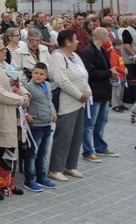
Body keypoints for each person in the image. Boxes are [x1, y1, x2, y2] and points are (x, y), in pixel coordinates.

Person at [0, 39, 30, 199]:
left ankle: (7, 183)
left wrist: (25, 93)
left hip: (15, 112)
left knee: (11, 149)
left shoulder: (6, 66)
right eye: (2, 49)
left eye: (5, 49)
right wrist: (20, 100)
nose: (5, 51)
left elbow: (17, 82)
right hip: (1, 113)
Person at [47, 29, 92, 182]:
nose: (78, 42)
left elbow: (83, 75)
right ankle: (55, 168)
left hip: (80, 103)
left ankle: (70, 165)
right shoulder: (58, 56)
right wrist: (79, 95)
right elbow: (61, 80)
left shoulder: (75, 56)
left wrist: (87, 91)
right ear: (67, 42)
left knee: (76, 135)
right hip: (67, 102)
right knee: (64, 135)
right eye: (75, 39)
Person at [80, 27, 119, 163]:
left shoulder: (101, 50)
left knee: (101, 121)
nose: (109, 38)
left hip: (103, 91)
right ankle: (87, 151)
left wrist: (110, 71)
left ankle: (100, 146)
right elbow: (90, 73)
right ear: (101, 37)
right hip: (94, 92)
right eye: (107, 36)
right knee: (89, 123)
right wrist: (109, 72)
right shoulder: (88, 52)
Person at [23, 63, 57, 192]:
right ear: (32, 73)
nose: (38, 76)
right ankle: (29, 179)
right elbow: (23, 103)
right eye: (36, 73)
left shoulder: (48, 85)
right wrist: (26, 114)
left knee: (43, 153)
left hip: (47, 124)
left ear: (46, 76)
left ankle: (41, 177)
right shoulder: (28, 87)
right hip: (35, 125)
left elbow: (50, 101)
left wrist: (53, 111)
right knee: (32, 153)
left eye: (41, 74)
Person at [109, 38, 128, 112]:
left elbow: (122, 64)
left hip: (122, 76)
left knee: (121, 91)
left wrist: (125, 69)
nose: (120, 47)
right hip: (117, 76)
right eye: (118, 46)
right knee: (116, 91)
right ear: (114, 46)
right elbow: (114, 66)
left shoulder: (119, 54)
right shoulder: (114, 54)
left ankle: (120, 103)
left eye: (120, 45)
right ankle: (115, 105)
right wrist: (123, 70)